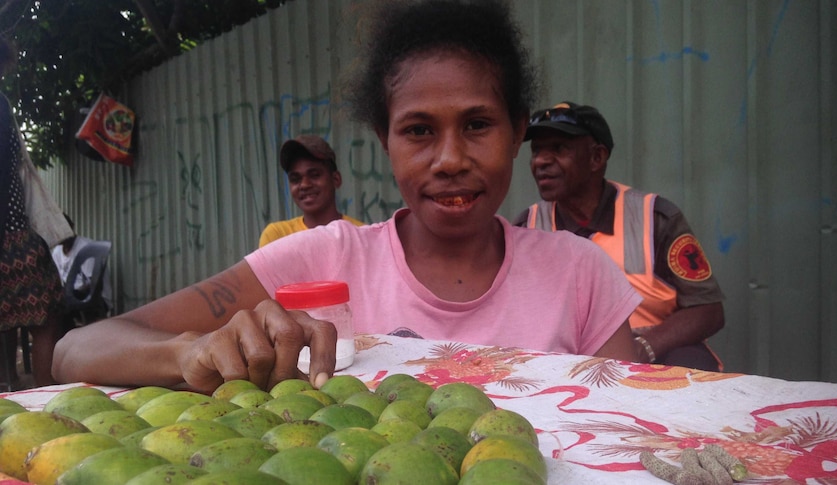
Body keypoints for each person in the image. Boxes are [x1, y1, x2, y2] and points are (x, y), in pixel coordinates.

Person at [53, 0, 643, 394]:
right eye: (418, 130)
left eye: (478, 125)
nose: (450, 158)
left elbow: (643, 420)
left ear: (517, 130)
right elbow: (80, 347)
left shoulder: (579, 273)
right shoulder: (319, 259)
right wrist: (190, 352)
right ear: (384, 139)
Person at [513, 101, 725, 371]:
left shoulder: (654, 218)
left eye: (559, 148)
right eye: (536, 151)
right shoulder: (526, 227)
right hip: (564, 359)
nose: (540, 161)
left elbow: (708, 311)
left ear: (596, 157)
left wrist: (643, 347)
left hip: (654, 353)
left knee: (691, 368)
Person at [1, 36, 73, 388]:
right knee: (45, 320)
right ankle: (42, 395)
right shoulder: (0, 105)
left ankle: (15, 388)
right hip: (14, 237)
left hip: (10, 237)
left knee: (16, 319)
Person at [258, 135, 363, 247]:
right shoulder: (277, 236)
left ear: (336, 179)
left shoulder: (361, 235)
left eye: (314, 175)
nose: (304, 185)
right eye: (295, 179)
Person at [52, 213, 113, 324]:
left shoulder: (86, 248)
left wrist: (69, 294)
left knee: (63, 304)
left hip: (94, 298)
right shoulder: (57, 252)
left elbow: (93, 285)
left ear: (71, 227)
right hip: (70, 296)